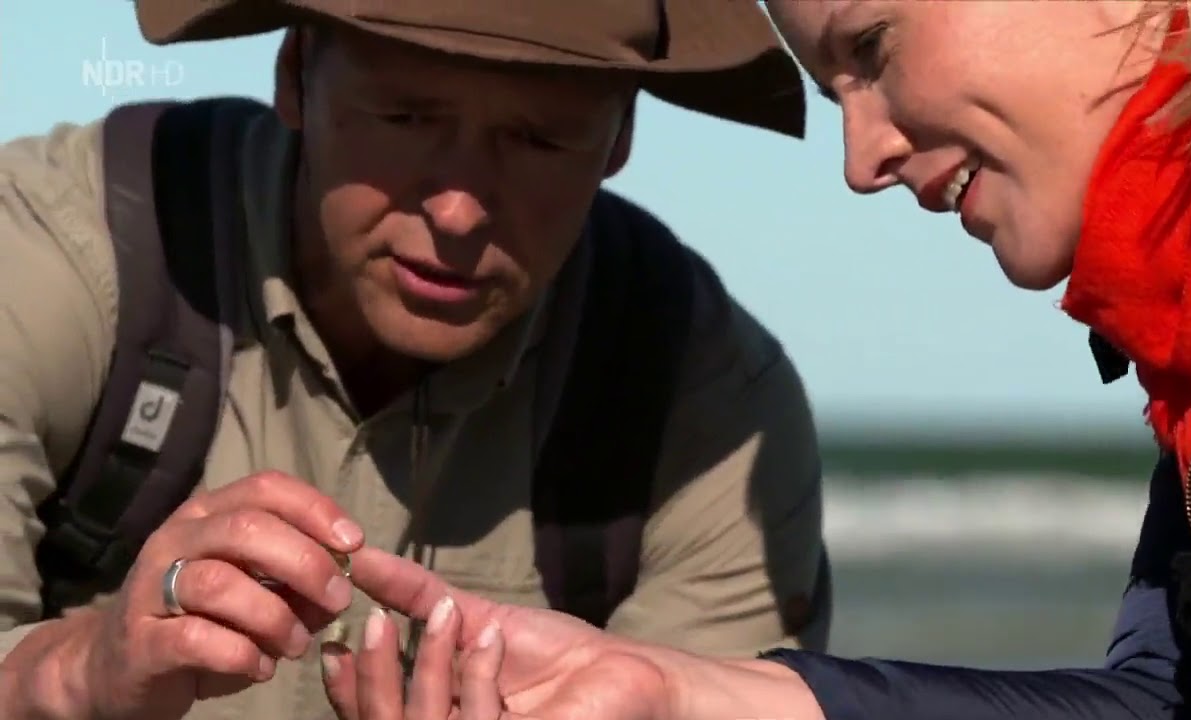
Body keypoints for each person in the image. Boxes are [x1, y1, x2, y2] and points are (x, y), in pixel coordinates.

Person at [329, 1, 1191, 718]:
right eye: (834, 94)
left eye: (871, 49)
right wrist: (682, 692)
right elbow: (1179, 700)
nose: (859, 160)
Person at [0, 1, 834, 719]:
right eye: (404, 118)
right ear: (294, 76)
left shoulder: (710, 407)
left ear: (620, 138)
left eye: (539, 140)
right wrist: (79, 673)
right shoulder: (50, 260)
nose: (460, 208)